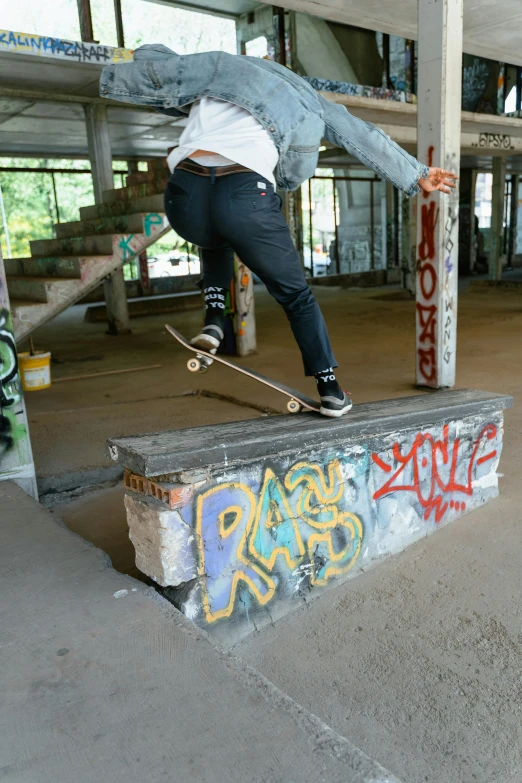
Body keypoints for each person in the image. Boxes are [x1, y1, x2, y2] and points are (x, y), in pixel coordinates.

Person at [100, 45, 457, 417]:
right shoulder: (302, 94)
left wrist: (139, 55)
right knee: (296, 296)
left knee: (213, 235)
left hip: (184, 194)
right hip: (245, 195)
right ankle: (330, 389)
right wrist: (416, 174)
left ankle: (214, 320)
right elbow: (360, 135)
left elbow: (155, 58)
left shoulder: (218, 70)